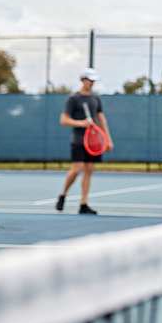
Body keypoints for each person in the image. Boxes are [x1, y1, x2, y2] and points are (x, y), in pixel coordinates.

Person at [56, 68, 114, 215]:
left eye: (94, 80)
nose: (92, 83)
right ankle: (63, 195)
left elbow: (101, 118)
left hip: (94, 142)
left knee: (89, 170)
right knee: (77, 169)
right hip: (78, 140)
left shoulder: (96, 98)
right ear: (83, 80)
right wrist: (81, 123)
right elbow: (63, 120)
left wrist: (107, 139)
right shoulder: (73, 98)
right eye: (89, 80)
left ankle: (84, 204)